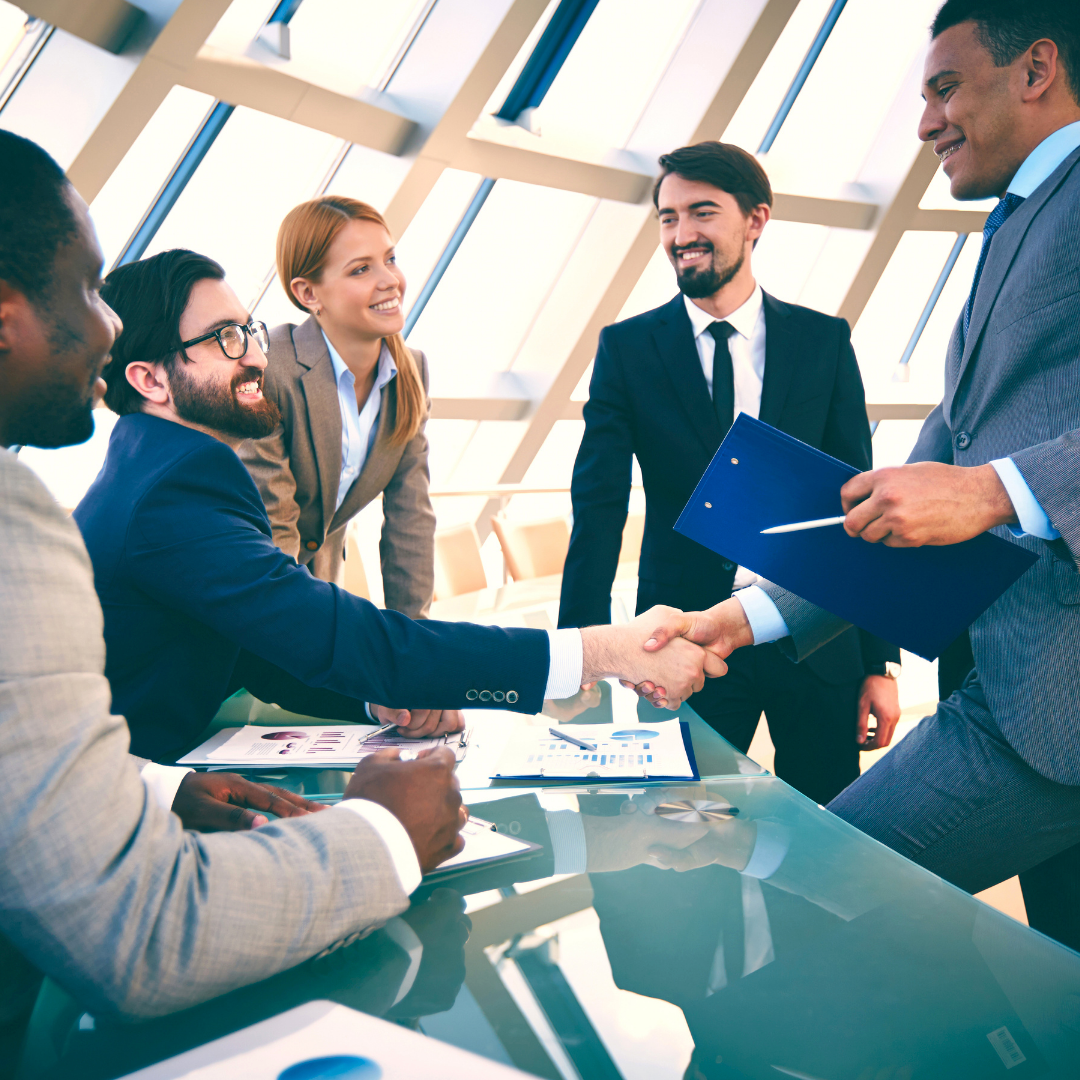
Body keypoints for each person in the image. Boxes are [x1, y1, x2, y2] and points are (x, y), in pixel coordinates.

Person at [0, 129, 469, 1048]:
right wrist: (380, 833)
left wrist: (155, 789)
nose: (103, 323)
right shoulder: (41, 517)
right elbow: (137, 933)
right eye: (88, 289)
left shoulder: (143, 467)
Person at [640, 0, 1080, 949]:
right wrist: (744, 617)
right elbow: (895, 503)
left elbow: (971, 482)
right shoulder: (1016, 224)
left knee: (814, 901)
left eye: (947, 89)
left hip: (1045, 710)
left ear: (1037, 69)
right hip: (1013, 692)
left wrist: (993, 491)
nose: (926, 123)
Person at [74, 247, 718, 761]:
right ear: (150, 378)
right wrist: (603, 651)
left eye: (250, 330)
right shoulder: (175, 489)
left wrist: (377, 702)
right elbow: (333, 633)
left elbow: (259, 646)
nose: (255, 355)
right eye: (225, 339)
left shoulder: (159, 467)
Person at [559, 141, 901, 805]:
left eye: (702, 213)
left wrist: (876, 662)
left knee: (829, 849)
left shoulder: (822, 342)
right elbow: (597, 505)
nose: (681, 235)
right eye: (667, 217)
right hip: (682, 638)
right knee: (676, 836)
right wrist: (584, 653)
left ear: (756, 219)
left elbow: (860, 502)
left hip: (816, 637)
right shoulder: (626, 349)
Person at [241, 196, 449, 731]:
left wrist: (411, 656)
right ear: (309, 294)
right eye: (361, 269)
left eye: (390, 259)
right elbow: (276, 527)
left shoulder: (410, 371)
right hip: (249, 608)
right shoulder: (274, 368)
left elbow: (411, 520)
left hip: (316, 593)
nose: (390, 281)